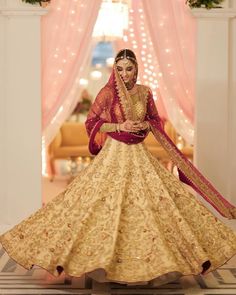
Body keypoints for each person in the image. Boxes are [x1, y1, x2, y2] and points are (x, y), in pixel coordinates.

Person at [0, 49, 236, 287]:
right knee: (97, 205)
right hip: (114, 155)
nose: (124, 74)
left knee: (152, 204)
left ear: (137, 68)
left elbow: (156, 120)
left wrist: (143, 124)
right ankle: (101, 263)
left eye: (129, 68)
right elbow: (91, 122)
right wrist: (119, 125)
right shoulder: (107, 93)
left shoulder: (145, 92)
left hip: (140, 156)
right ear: (115, 69)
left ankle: (155, 264)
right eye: (119, 69)